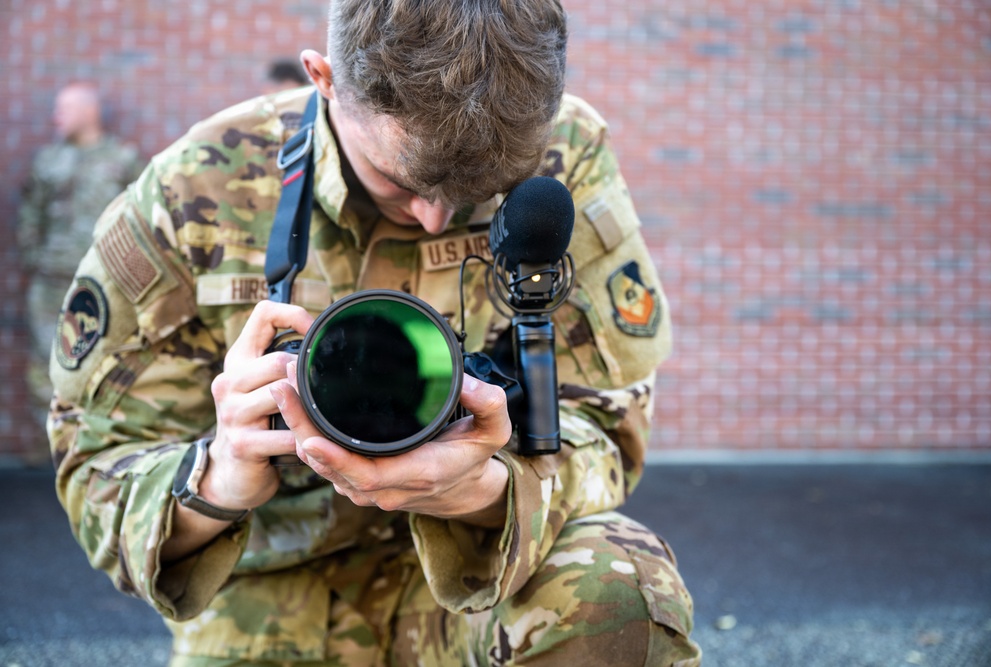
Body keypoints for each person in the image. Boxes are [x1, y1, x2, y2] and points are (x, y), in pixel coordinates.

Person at [49, 1, 701, 665]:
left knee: (619, 587)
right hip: (268, 597)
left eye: (482, 190)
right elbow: (94, 460)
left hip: (482, 576)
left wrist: (488, 490)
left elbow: (611, 415)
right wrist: (215, 480)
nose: (432, 216)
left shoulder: (567, 150)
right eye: (400, 180)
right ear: (322, 77)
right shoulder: (200, 184)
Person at [17, 81, 143, 439]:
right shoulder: (49, 159)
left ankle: (93, 441)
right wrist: (34, 257)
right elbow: (30, 214)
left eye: (66, 108)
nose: (57, 117)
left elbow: (139, 216)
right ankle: (51, 449)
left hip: (103, 282)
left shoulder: (123, 159)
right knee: (45, 358)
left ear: (90, 112)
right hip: (51, 278)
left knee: (101, 357)